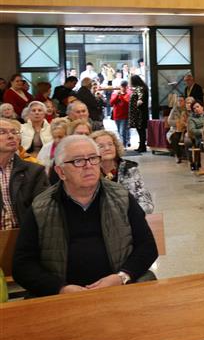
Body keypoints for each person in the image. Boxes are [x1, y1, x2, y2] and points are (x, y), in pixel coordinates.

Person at [13, 135, 158, 297]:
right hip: (64, 296)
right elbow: (23, 264)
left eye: (93, 158)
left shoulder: (121, 197)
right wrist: (60, 288)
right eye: (78, 161)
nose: (88, 166)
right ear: (61, 172)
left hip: (117, 289)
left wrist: (122, 277)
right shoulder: (41, 207)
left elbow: (147, 247)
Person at [0, 118, 48, 229]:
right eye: (2, 132)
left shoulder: (35, 171)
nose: (11, 136)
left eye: (14, 132)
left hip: (23, 237)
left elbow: (44, 209)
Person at [92, 130, 153, 214]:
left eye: (110, 144)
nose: (107, 148)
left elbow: (145, 200)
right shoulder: (91, 172)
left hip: (131, 217)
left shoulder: (130, 169)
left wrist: (133, 214)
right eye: (101, 146)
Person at [128, 75, 149, 153]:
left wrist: (136, 105)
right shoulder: (141, 88)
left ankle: (142, 146)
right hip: (139, 113)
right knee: (141, 130)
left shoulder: (139, 88)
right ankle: (141, 146)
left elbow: (140, 100)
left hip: (139, 113)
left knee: (141, 130)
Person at [110, 81, 131, 148]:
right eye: (122, 86)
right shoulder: (115, 93)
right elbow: (111, 102)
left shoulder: (129, 94)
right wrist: (117, 95)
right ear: (120, 87)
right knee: (119, 131)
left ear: (127, 87)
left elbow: (126, 103)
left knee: (122, 131)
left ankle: (123, 146)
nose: (123, 88)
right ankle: (124, 143)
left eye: (125, 86)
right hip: (116, 115)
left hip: (124, 115)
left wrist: (121, 96)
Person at [167, 94, 187, 164]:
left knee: (184, 137)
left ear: (184, 101)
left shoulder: (187, 109)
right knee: (174, 137)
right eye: (178, 101)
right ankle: (177, 155)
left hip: (185, 129)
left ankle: (184, 154)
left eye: (181, 101)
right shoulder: (174, 109)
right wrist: (177, 122)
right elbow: (169, 121)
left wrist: (184, 123)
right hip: (175, 129)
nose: (179, 102)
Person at [186, 101, 204, 171]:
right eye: (194, 108)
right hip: (199, 138)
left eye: (198, 107)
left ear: (202, 107)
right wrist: (202, 131)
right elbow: (192, 130)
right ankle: (200, 164)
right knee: (203, 144)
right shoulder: (191, 119)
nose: (196, 109)